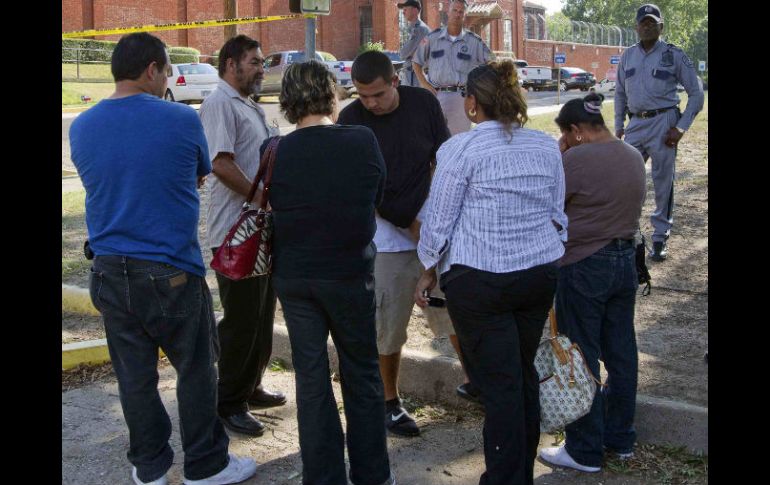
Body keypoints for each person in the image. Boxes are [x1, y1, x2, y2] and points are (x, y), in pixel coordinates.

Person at [70, 32, 257, 485]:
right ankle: (205, 464)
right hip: (171, 267)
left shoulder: (81, 125)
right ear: (152, 69)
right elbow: (197, 174)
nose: (169, 78)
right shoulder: (179, 118)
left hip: (110, 268)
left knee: (134, 376)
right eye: (167, 69)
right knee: (195, 369)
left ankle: (149, 467)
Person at [414, 60, 567, 485]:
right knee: (521, 373)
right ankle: (518, 474)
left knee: (501, 384)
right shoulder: (544, 145)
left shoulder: (459, 150)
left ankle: (504, 478)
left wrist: (427, 269)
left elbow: (439, 220)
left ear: (471, 104)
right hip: (537, 274)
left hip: (480, 281)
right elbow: (558, 214)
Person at [267, 60, 395, 485]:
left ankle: (322, 476)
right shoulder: (362, 140)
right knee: (361, 373)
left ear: (288, 100)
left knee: (311, 377)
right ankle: (372, 474)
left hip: (296, 277)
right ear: (331, 93)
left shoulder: (276, 148)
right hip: (348, 274)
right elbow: (376, 195)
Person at [337, 50, 475, 437]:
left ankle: (477, 382)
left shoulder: (424, 103)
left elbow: (444, 159)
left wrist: (434, 222)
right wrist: (408, 223)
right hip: (385, 237)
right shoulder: (350, 120)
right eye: (363, 96)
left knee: (454, 311)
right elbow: (363, 186)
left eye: (378, 94)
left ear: (395, 81)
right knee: (388, 322)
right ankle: (389, 402)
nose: (371, 103)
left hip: (431, 226)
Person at [539, 93, 646, 473]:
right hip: (625, 260)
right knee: (622, 352)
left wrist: (563, 154)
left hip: (584, 262)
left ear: (575, 131)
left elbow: (551, 206)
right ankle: (620, 438)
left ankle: (584, 449)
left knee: (580, 355)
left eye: (565, 136)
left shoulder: (576, 159)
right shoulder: (633, 155)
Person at [198, 35, 286, 438]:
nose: (260, 68)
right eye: (254, 61)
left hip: (257, 228)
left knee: (261, 315)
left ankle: (250, 387)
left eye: (262, 61)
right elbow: (219, 164)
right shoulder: (219, 103)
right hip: (235, 232)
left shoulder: (247, 104)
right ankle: (228, 401)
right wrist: (262, 197)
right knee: (241, 321)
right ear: (231, 63)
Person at [614, 3, 704, 261]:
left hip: (664, 123)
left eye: (652, 22)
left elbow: (696, 94)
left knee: (663, 181)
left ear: (661, 26)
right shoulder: (627, 56)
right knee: (625, 178)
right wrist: (619, 125)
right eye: (643, 22)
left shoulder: (674, 54)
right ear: (636, 27)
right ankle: (625, 231)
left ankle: (659, 237)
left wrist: (680, 127)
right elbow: (620, 93)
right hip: (635, 124)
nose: (647, 26)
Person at [412, 0, 491, 135]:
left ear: (464, 15)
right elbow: (416, 61)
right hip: (436, 96)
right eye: (454, 10)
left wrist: (479, 89)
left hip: (461, 98)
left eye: (461, 12)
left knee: (459, 139)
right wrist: (424, 84)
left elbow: (491, 64)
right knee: (433, 138)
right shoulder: (432, 38)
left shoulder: (474, 41)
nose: (457, 14)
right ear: (448, 12)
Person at [397, 0, 431, 87]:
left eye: (405, 10)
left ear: (415, 11)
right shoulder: (414, 29)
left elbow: (403, 53)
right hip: (412, 74)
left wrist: (411, 53)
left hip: (415, 76)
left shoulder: (419, 29)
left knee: (413, 99)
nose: (403, 12)